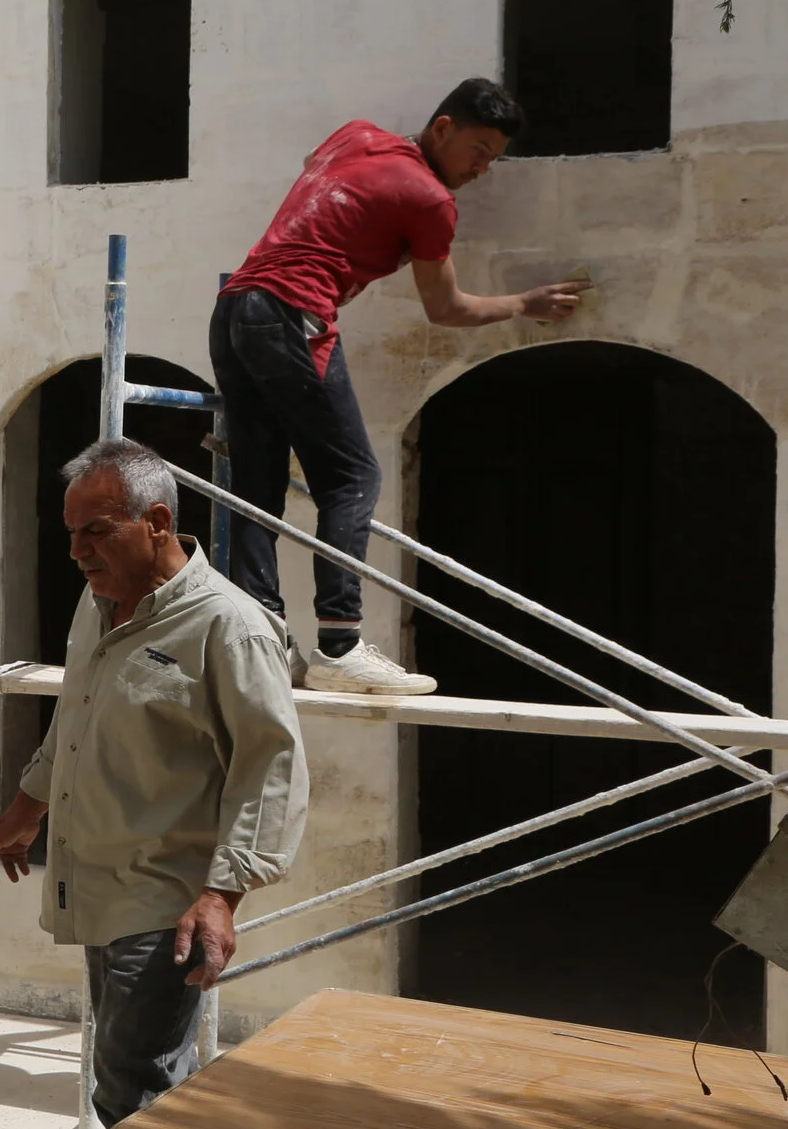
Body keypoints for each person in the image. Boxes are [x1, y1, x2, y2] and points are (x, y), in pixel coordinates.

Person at [0, 439, 308, 1129]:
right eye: (70, 533)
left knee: (132, 1092)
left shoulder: (229, 625)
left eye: (96, 531)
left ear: (158, 522)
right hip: (99, 881)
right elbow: (73, 720)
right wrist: (25, 810)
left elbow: (270, 767)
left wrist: (224, 894)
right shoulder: (100, 603)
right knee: (161, 1074)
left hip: (170, 898)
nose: (77, 551)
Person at [212, 78, 590, 693]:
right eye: (478, 150)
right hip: (291, 313)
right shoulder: (431, 200)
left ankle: (262, 638)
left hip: (235, 308)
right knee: (352, 478)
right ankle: (339, 646)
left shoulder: (356, 136)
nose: (481, 169)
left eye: (493, 159)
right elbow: (446, 308)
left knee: (257, 482)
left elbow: (318, 169)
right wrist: (524, 303)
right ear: (443, 128)